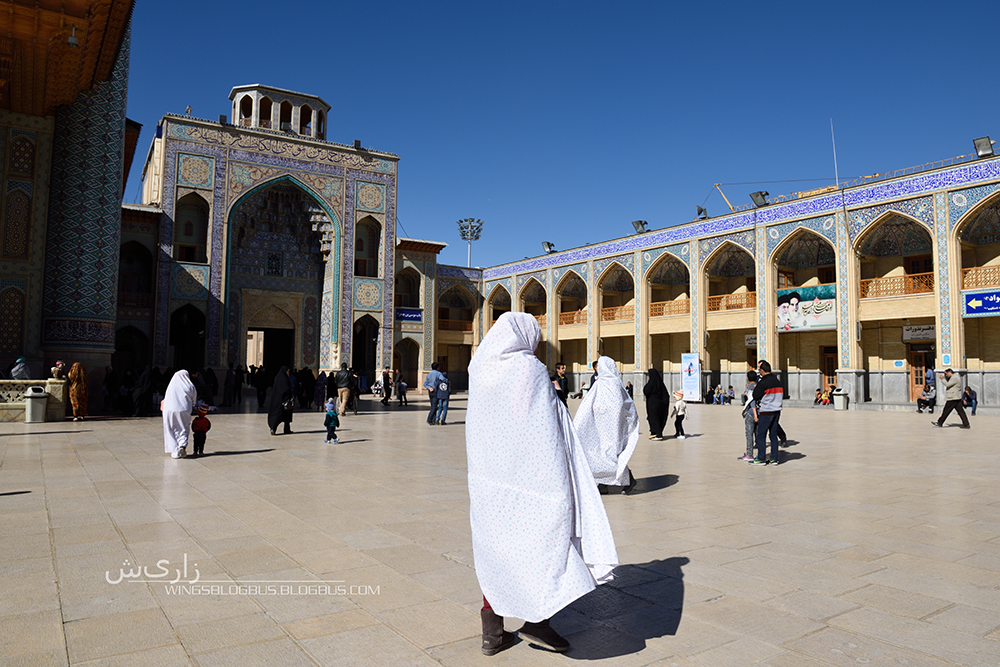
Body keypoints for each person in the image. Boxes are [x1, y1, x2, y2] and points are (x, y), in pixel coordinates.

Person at [466, 312, 618, 656]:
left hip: (489, 480)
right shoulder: (529, 369)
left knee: (496, 552)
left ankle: (493, 633)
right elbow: (548, 426)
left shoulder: (478, 367)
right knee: (543, 547)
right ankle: (539, 622)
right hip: (533, 479)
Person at [573, 356, 639, 494]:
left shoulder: (614, 383)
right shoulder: (600, 383)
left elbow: (624, 404)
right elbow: (588, 404)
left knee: (610, 454)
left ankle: (628, 479)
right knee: (601, 453)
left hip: (613, 426)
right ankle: (603, 484)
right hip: (599, 424)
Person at [751, 360, 783, 465]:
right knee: (773, 435)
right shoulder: (777, 381)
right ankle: (774, 458)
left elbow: (755, 395)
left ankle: (761, 458)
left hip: (766, 411)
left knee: (761, 434)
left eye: (759, 369)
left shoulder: (763, 382)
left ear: (762, 370)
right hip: (777, 410)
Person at [162, 370, 197, 459]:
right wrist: (192, 404)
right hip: (183, 409)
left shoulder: (171, 386)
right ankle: (182, 446)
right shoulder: (189, 385)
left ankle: (174, 452)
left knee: (171, 429)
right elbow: (194, 398)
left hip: (169, 410)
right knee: (183, 427)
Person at [642, 368, 670, 440]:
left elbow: (646, 391)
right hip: (659, 405)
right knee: (656, 418)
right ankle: (654, 432)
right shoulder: (661, 384)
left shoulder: (651, 383)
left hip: (652, 405)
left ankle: (659, 435)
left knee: (654, 418)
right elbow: (666, 395)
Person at [268, 366, 294, 435]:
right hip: (282, 401)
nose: (289, 373)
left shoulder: (279, 378)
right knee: (279, 416)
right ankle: (273, 428)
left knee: (286, 417)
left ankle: (286, 429)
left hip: (280, 401)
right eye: (288, 371)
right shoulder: (284, 380)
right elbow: (285, 390)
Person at [741, 371, 757, 461]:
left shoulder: (749, 387)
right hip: (760, 411)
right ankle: (760, 454)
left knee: (749, 434)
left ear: (747, 378)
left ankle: (749, 454)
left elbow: (752, 400)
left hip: (751, 412)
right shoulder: (759, 386)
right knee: (758, 433)